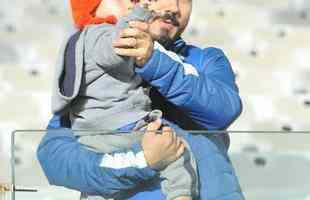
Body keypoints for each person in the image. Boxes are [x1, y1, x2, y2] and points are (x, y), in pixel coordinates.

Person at [37, 0, 244, 200]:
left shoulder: (206, 59)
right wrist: (143, 160)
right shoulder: (96, 73)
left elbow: (223, 111)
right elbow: (55, 158)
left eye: (185, 0)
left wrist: (153, 60)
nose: (174, 7)